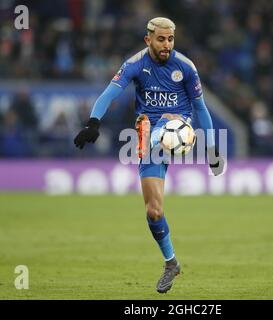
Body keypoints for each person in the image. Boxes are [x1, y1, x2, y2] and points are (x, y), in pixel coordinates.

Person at [74, 17, 225, 293]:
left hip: (180, 129)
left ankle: (155, 132)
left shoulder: (186, 68)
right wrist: (93, 123)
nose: (166, 45)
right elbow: (109, 93)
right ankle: (171, 263)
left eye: (170, 39)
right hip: (150, 142)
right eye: (161, 39)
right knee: (154, 211)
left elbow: (201, 108)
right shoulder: (135, 64)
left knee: (165, 124)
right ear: (148, 40)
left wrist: (213, 148)